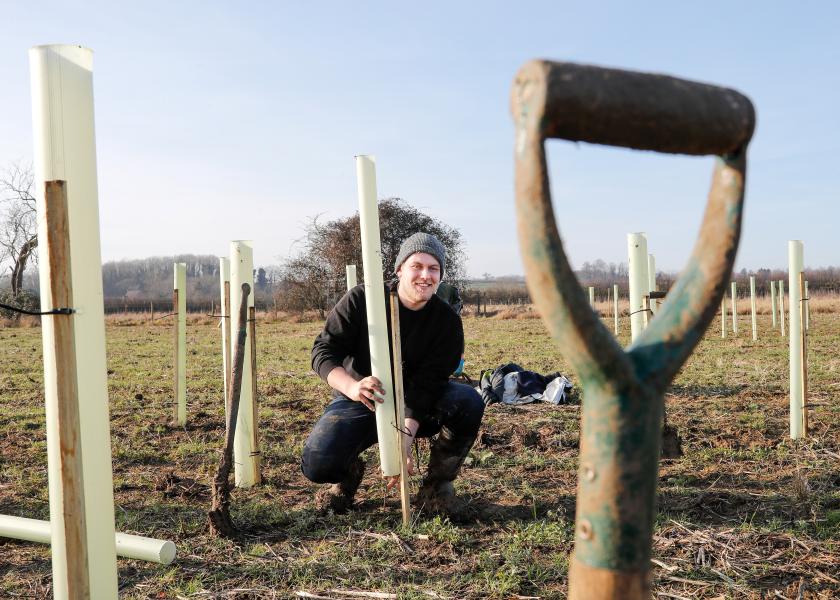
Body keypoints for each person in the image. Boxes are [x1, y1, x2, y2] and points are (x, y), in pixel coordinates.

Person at [301, 232, 484, 517]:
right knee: (317, 463)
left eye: (433, 269)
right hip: (362, 399)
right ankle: (348, 473)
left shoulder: (446, 322)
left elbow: (427, 385)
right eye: (417, 266)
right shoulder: (362, 300)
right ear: (399, 269)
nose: (425, 275)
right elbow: (323, 352)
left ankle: (436, 487)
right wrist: (352, 387)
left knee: (468, 400)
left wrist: (403, 443)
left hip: (419, 405)